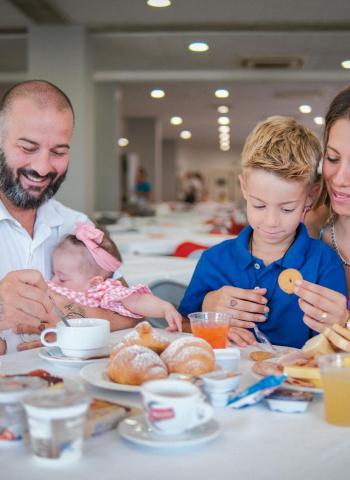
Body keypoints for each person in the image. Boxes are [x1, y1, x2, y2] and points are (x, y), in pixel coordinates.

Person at [178, 116, 347, 348]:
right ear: (244, 187)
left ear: (311, 195)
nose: (271, 222)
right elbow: (183, 327)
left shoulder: (323, 264)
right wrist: (210, 325)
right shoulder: (214, 261)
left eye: (287, 208)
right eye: (259, 205)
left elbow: (333, 347)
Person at [0, 80, 138, 354]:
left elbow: (132, 314)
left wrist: (68, 314)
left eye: (59, 152)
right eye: (28, 148)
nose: (42, 168)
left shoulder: (76, 225)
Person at [48, 222, 182, 332]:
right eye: (53, 273)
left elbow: (136, 301)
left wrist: (164, 308)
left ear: (95, 283)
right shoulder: (54, 286)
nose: (53, 281)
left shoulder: (103, 291)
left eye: (62, 278)